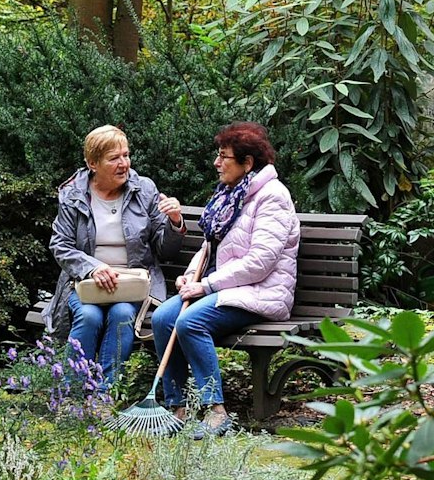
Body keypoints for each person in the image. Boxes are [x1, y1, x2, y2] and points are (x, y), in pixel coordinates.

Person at [150, 122, 298, 438]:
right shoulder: (230, 193)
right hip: (225, 288)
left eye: (224, 157)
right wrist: (191, 275)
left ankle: (216, 412)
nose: (217, 164)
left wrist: (206, 285)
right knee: (164, 317)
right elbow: (210, 246)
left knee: (190, 322)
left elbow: (260, 262)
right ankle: (179, 408)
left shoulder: (273, 197)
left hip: (261, 292)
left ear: (248, 163)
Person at [48, 125, 184, 386]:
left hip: (133, 285)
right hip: (86, 284)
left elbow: (164, 249)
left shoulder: (144, 190)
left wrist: (175, 222)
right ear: (93, 164)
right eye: (114, 158)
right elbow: (61, 244)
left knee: (122, 313)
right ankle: (73, 394)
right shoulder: (73, 195)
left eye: (126, 155)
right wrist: (93, 267)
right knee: (89, 316)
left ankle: (104, 394)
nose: (124, 164)